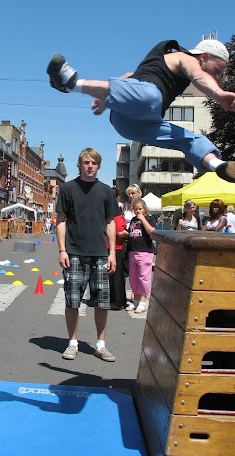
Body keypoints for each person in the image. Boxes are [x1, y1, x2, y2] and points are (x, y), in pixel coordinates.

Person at [47, 40, 235, 185]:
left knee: (189, 139)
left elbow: (127, 75)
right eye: (217, 70)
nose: (216, 76)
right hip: (138, 108)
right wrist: (219, 94)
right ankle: (70, 83)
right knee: (151, 97)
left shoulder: (154, 66)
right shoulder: (187, 59)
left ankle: (219, 165)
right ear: (204, 56)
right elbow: (199, 77)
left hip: (136, 122)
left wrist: (105, 100)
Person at [56, 148, 117, 362]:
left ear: (98, 166)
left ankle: (100, 345)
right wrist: (62, 249)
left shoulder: (106, 191)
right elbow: (61, 221)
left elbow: (110, 223)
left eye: (93, 163)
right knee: (72, 300)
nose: (89, 166)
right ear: (79, 164)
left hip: (100, 254)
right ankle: (72, 342)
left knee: (101, 302)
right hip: (74, 252)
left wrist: (112, 253)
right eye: (86, 162)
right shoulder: (68, 189)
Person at [125, 199, 156, 314]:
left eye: (140, 209)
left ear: (144, 209)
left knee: (144, 277)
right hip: (133, 251)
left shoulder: (149, 219)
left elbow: (151, 231)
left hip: (144, 252)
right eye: (136, 209)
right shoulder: (133, 220)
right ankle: (136, 300)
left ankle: (143, 301)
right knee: (133, 278)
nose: (138, 211)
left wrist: (143, 219)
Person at [109, 209, 128, 310]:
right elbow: (120, 232)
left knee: (113, 275)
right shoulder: (117, 216)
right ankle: (117, 301)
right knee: (117, 275)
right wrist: (129, 234)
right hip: (116, 247)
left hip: (108, 246)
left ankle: (116, 300)